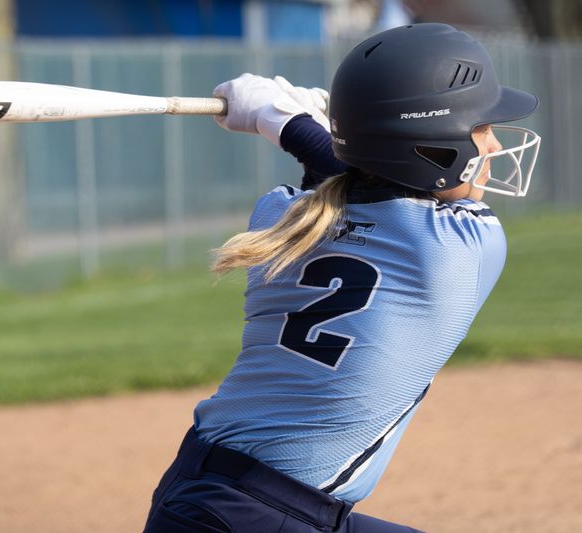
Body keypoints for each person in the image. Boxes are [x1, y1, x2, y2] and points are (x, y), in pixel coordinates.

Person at [143, 23, 540, 532]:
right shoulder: (462, 249)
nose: (491, 144)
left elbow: (339, 178)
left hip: (218, 493)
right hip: (254, 517)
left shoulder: (281, 215)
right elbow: (335, 170)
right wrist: (285, 122)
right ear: (433, 152)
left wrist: (297, 123)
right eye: (481, 128)